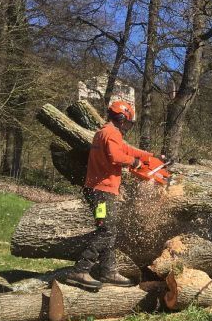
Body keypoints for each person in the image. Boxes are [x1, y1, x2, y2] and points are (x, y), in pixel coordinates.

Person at [64, 101, 155, 291]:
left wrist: (149, 156)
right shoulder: (111, 133)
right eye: (128, 123)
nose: (128, 127)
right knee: (106, 231)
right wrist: (135, 163)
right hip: (101, 193)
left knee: (109, 230)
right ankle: (80, 270)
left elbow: (126, 149)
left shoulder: (104, 132)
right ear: (122, 120)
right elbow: (117, 156)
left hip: (99, 190)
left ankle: (108, 270)